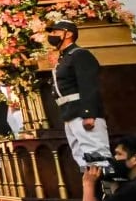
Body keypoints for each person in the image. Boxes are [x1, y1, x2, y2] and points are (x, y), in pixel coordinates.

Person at [47, 20, 111, 168]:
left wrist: (89, 114)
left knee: (96, 156)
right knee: (81, 157)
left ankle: (108, 190)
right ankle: (91, 189)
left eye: (56, 31)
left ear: (68, 34)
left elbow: (88, 85)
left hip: (82, 113)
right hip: (70, 113)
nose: (52, 35)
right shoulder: (64, 58)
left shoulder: (80, 54)